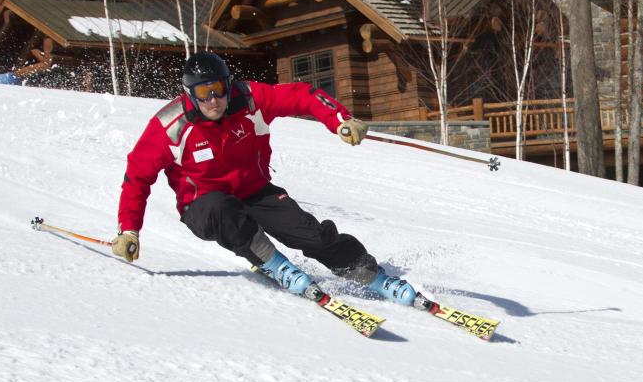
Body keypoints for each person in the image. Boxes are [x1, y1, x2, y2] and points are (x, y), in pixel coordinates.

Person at [112, 52, 419, 306]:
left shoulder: (248, 99)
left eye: (219, 88)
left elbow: (300, 95)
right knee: (222, 208)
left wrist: (339, 120)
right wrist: (129, 230)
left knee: (311, 234)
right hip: (203, 205)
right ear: (190, 93)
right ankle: (274, 265)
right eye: (204, 93)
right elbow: (137, 176)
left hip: (254, 190)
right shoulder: (171, 126)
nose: (215, 99)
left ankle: (375, 277)